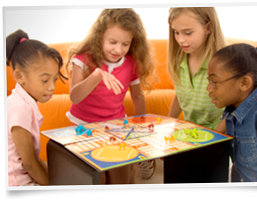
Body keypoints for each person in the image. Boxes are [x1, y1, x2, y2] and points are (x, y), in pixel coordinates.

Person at [65, 8, 155, 183]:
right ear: (100, 37)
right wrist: (96, 75)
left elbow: (137, 96)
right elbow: (74, 97)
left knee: (122, 177)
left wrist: (141, 125)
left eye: (125, 44)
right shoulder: (83, 59)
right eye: (112, 42)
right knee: (97, 177)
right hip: (83, 125)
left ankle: (141, 163)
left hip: (115, 125)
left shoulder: (131, 63)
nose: (118, 49)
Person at [206, 43, 257, 182]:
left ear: (244, 83)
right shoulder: (231, 111)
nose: (208, 88)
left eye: (214, 82)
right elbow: (212, 142)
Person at [7, 29, 65, 186]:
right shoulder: (20, 108)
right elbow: (29, 163)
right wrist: (51, 187)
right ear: (20, 77)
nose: (52, 87)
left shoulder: (23, 101)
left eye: (55, 79)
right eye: (45, 80)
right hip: (17, 182)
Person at [167, 7, 226, 130]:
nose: (180, 40)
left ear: (208, 28)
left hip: (218, 135)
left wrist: (215, 136)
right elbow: (181, 96)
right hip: (189, 133)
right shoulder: (179, 60)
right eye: (176, 32)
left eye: (188, 33)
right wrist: (167, 123)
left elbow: (235, 109)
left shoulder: (223, 64)